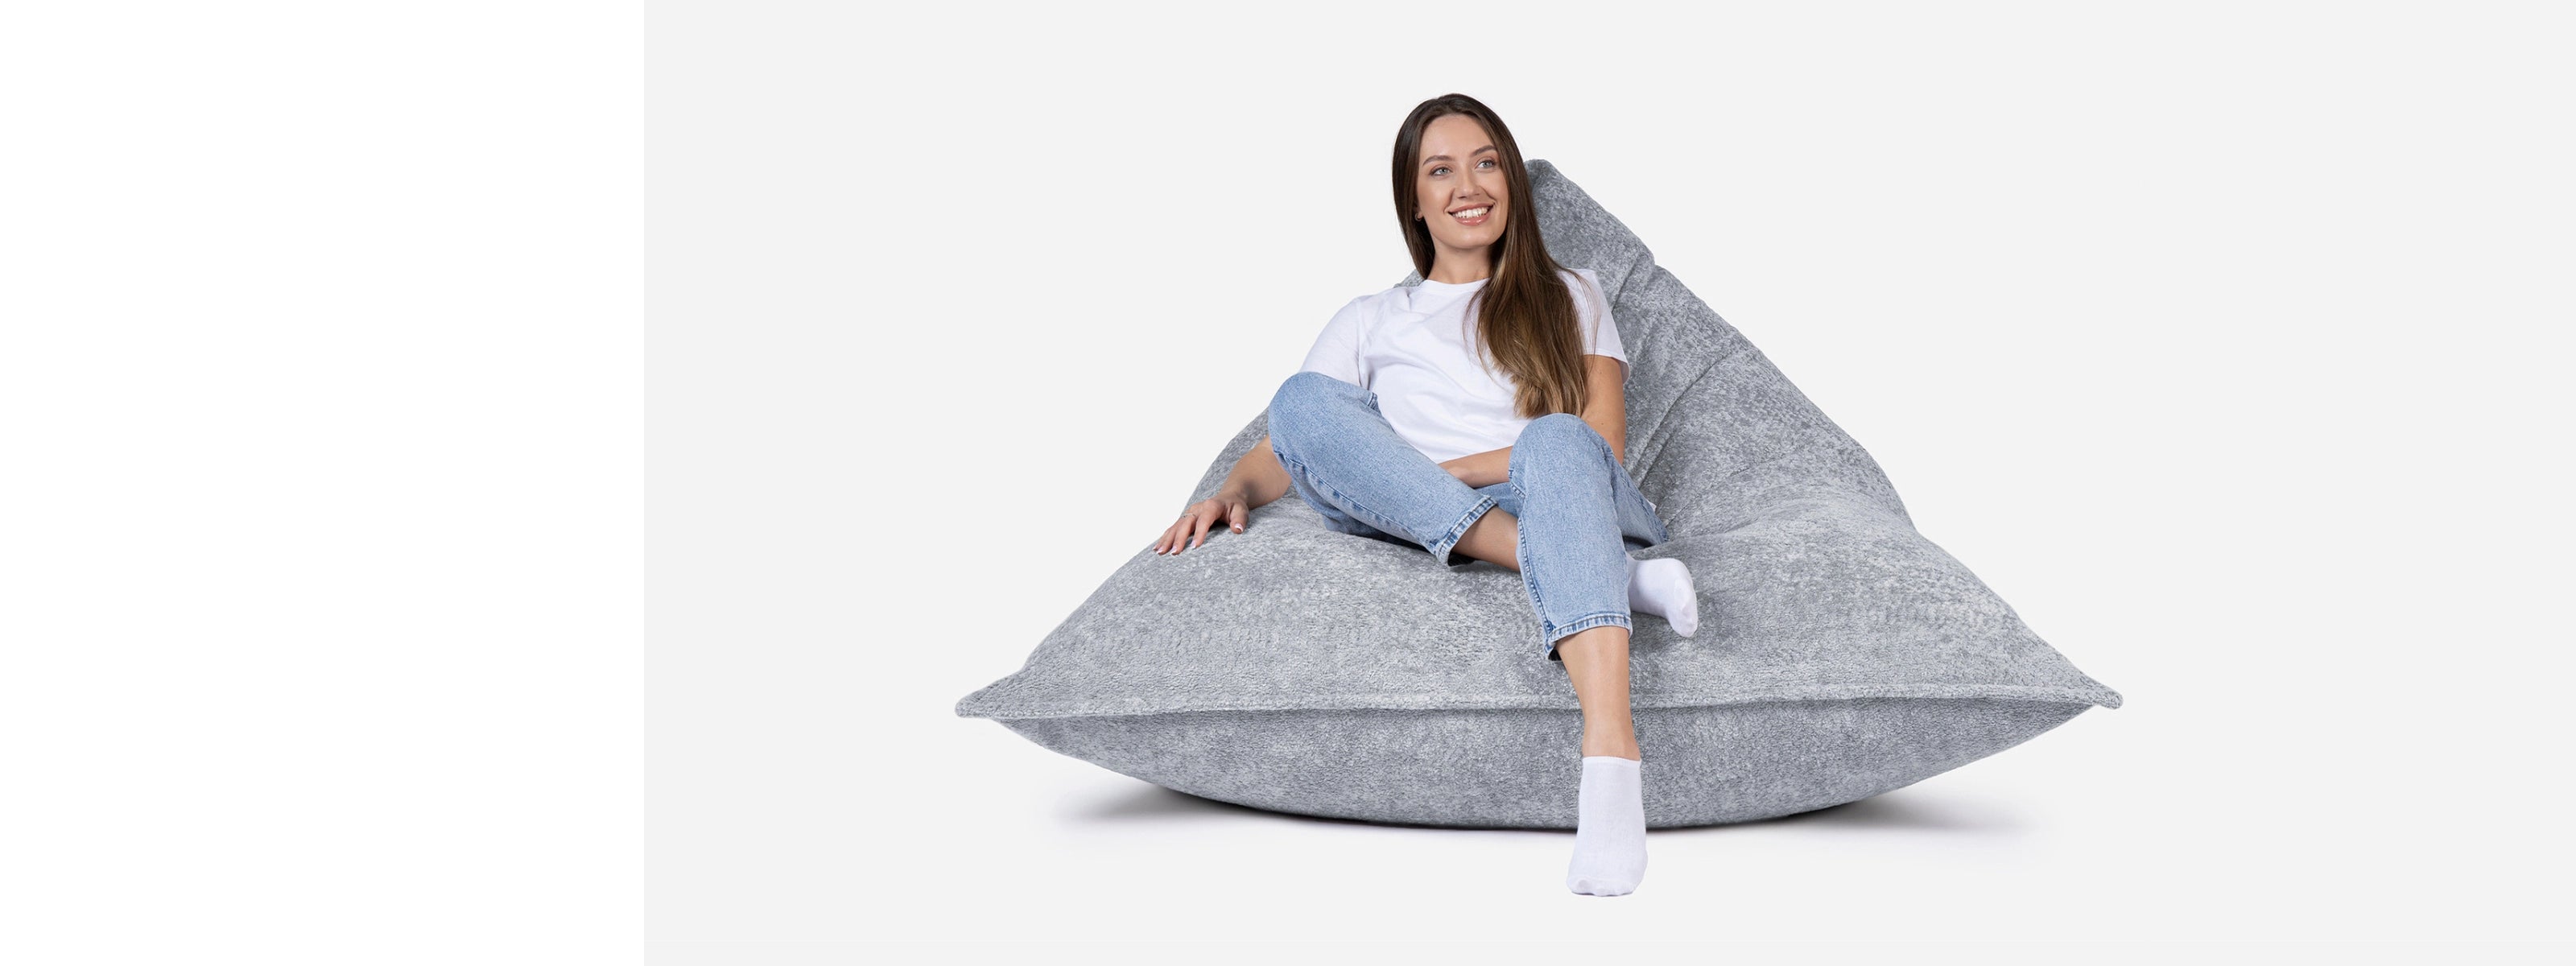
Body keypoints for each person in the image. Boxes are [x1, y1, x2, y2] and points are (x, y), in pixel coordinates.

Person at [1147, 93, 1699, 898]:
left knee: (1556, 438)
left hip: (1558, 486)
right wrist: (1227, 487)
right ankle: (1609, 579)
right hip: (1418, 504)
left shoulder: (1570, 291)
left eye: (1484, 162)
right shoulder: (1372, 318)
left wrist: (1439, 472)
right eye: (1438, 170)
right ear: (1412, 198)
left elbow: (1600, 444)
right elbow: (1297, 438)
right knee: (1299, 397)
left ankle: (1611, 760)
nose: (1466, 185)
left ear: (1509, 178)